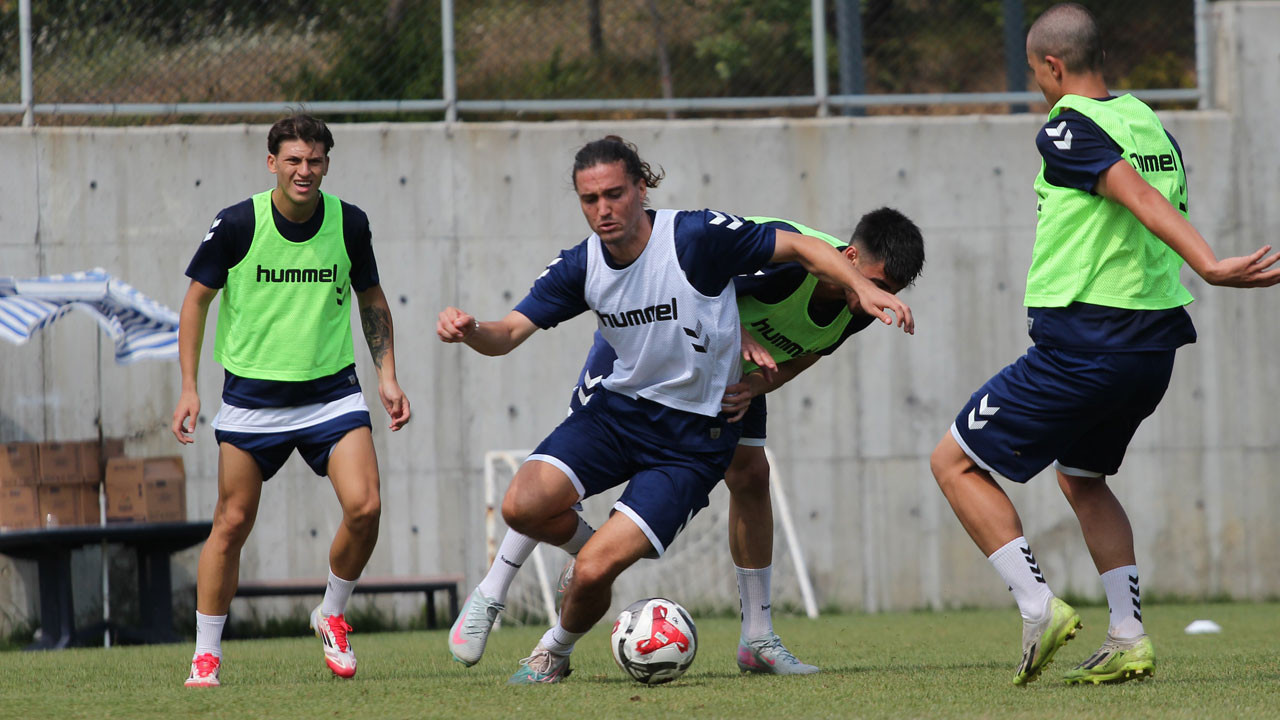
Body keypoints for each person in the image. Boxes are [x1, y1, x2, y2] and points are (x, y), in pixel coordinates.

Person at [438, 136, 914, 684]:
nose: (603, 208)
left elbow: (808, 348)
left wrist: (756, 378)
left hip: (707, 404)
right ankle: (499, 587)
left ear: (640, 189)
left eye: (615, 194)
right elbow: (756, 270)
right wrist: (471, 329)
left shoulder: (856, 301)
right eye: (590, 199)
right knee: (534, 498)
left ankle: (751, 635)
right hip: (633, 376)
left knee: (750, 477)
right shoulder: (615, 261)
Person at [929, 2, 1280, 687]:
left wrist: (1209, 266)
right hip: (1151, 350)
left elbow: (1138, 197)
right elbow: (1152, 198)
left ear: (1052, 66)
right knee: (1082, 477)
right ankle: (1127, 635)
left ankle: (1037, 607)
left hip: (1088, 342)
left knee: (953, 462)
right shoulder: (1148, 122)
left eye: (1034, 71)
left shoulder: (1068, 125)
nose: (1036, 83)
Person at [172, 113, 411, 688]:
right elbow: (196, 302)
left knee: (366, 507)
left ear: (327, 164)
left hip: (331, 394)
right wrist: (189, 387)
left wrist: (387, 376)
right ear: (273, 163)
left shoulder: (349, 223)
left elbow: (372, 299)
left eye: (315, 160)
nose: (305, 170)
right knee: (232, 522)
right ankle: (206, 653)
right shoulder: (237, 223)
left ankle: (331, 613)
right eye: (294, 160)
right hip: (251, 400)